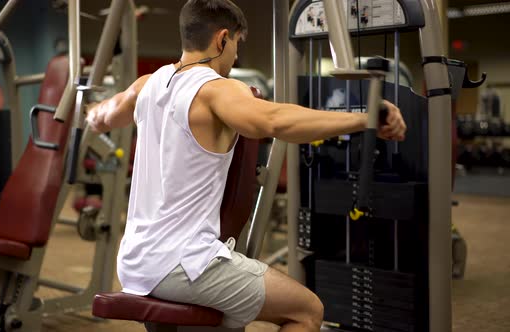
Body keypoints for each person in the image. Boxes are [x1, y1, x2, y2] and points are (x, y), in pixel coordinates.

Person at [86, 0, 406, 331]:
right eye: (237, 43)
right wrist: (365, 119)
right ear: (223, 39)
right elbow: (274, 120)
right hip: (183, 265)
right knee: (307, 310)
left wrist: (83, 106)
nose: (236, 55)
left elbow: (100, 116)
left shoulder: (144, 85)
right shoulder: (215, 90)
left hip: (135, 262)